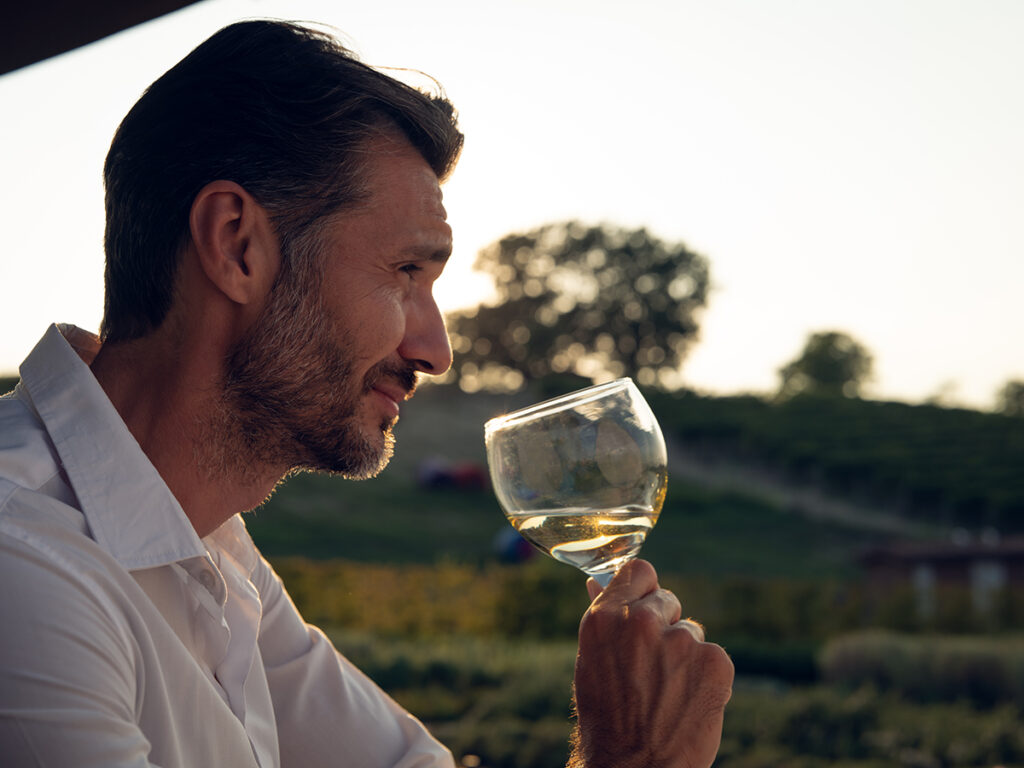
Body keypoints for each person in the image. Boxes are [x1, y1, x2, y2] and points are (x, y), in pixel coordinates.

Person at [0, 19, 733, 768]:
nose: (436, 351)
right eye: (407, 274)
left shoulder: (207, 545)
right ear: (236, 246)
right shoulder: (24, 564)